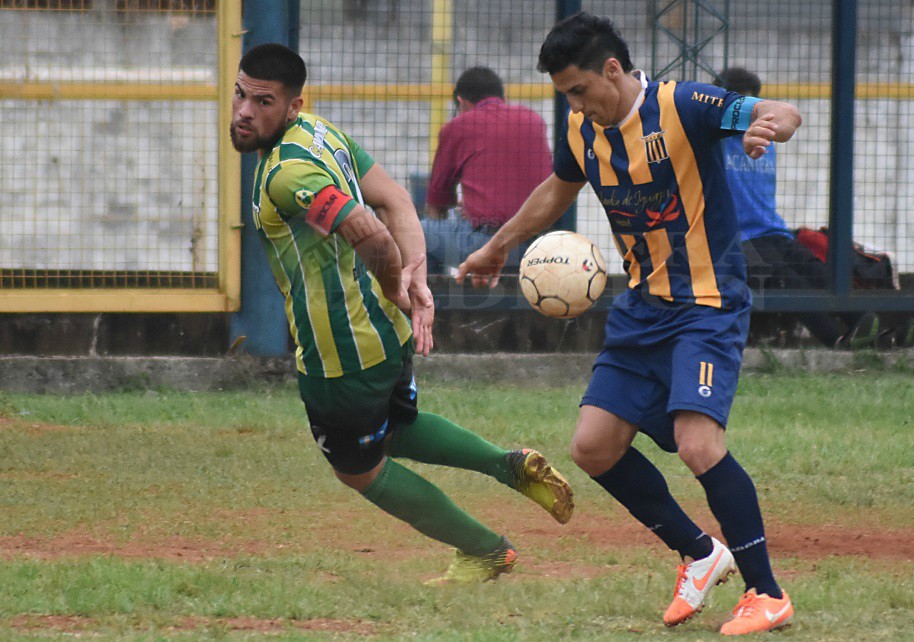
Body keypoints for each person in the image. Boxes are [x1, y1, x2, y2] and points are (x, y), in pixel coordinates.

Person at [458, 14, 798, 635]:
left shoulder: (684, 103)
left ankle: (767, 592)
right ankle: (700, 555)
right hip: (642, 309)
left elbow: (780, 110)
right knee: (593, 447)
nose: (574, 102)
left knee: (698, 444)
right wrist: (500, 244)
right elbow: (559, 189)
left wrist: (764, 129)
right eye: (566, 94)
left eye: (579, 89)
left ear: (612, 70)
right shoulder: (582, 128)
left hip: (706, 301)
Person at [229, 43, 573, 584]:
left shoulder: (285, 176)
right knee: (393, 427)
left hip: (339, 355)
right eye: (240, 94)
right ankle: (508, 464)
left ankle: (486, 549)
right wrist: (414, 277)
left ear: (292, 105)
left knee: (359, 470)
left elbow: (370, 229)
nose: (245, 111)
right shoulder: (319, 131)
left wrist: (398, 283)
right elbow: (397, 200)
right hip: (384, 338)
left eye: (262, 101)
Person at [714, 66, 884, 350]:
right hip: (740, 238)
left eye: (753, 103)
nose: (748, 112)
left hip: (774, 229)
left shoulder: (766, 135)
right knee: (786, 280)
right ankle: (837, 340)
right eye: (741, 104)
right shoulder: (718, 139)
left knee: (817, 271)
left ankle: (867, 323)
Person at [422, 66, 551, 274]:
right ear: (504, 97)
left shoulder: (458, 125)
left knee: (417, 233)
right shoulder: (534, 119)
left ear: (461, 102)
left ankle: (435, 301)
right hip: (538, 247)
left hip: (489, 245)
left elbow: (438, 203)